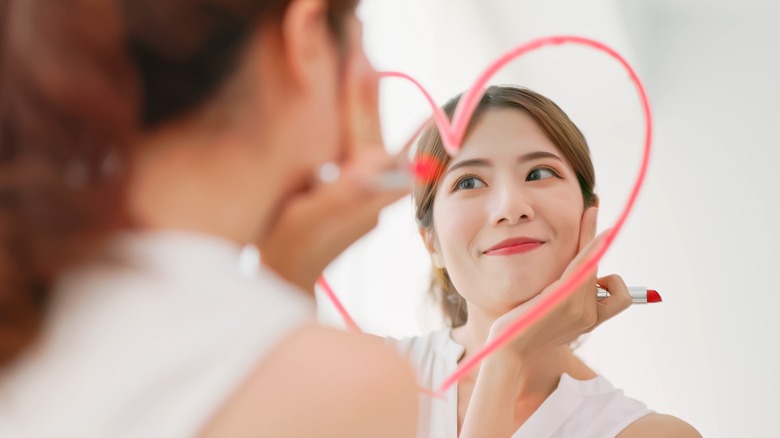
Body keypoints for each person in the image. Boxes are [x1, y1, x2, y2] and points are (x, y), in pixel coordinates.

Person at [0, 0, 418, 436]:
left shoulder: (32, 284)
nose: (373, 78)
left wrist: (285, 277)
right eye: (361, 36)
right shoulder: (348, 387)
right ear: (307, 35)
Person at [386, 85, 702, 437]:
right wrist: (505, 357)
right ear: (432, 243)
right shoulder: (361, 377)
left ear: (589, 214)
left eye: (538, 173)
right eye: (469, 181)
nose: (510, 208)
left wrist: (507, 355)